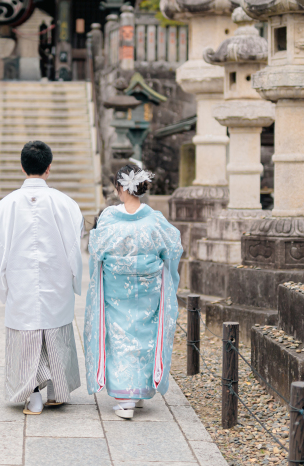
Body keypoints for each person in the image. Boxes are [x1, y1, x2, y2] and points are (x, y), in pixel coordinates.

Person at [0, 140, 85, 415]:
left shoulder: (5, 205)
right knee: (55, 331)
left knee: (27, 336)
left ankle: (32, 396)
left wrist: (2, 284)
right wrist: (75, 277)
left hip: (20, 276)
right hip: (55, 275)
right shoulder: (66, 203)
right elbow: (74, 244)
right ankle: (58, 389)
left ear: (23, 167)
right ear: (49, 168)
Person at [83, 164, 183, 419]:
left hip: (117, 287)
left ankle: (125, 398)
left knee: (119, 337)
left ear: (119, 188)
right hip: (148, 288)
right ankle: (137, 391)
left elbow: (96, 251)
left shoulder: (108, 218)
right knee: (145, 337)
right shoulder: (155, 218)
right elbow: (172, 248)